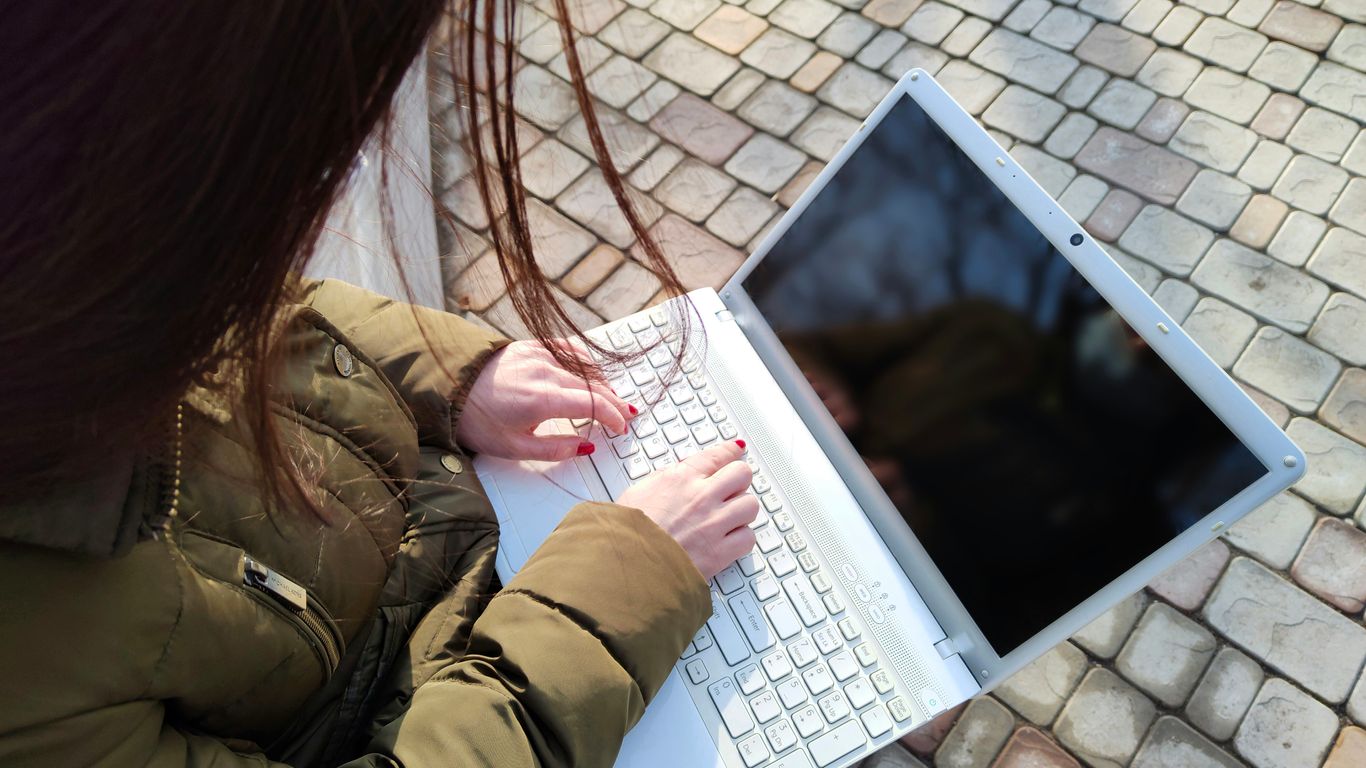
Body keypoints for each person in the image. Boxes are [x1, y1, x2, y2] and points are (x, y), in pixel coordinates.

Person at [0, 3, 758, 766]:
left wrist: (452, 373)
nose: (328, 203)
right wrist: (621, 590)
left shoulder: (81, 280)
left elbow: (262, 308)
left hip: (485, 548)